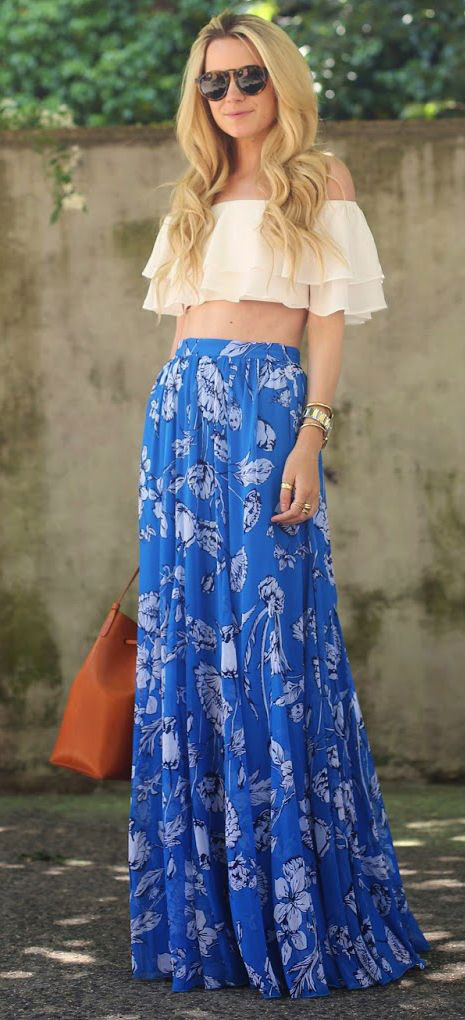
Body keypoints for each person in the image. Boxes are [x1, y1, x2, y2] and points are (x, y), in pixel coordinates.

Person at [128, 9, 431, 1001]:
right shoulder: (195, 192)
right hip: (181, 420)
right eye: (212, 82)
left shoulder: (320, 180)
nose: (231, 96)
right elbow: (183, 329)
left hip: (266, 410)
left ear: (280, 81)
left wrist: (312, 431)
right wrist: (165, 460)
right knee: (190, 646)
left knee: (274, 647)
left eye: (247, 76)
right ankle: (209, 923)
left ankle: (301, 913)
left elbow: (328, 319)